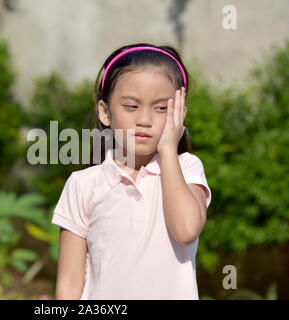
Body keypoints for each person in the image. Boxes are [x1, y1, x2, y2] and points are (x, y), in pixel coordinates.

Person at [51, 43, 212, 300]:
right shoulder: (83, 184)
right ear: (105, 112)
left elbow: (186, 229)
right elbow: (69, 286)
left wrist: (169, 150)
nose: (145, 120)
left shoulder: (187, 168)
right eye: (131, 106)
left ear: (179, 114)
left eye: (161, 108)